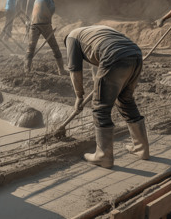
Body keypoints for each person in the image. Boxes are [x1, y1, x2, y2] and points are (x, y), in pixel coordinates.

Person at [64, 25, 149, 169]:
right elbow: (96, 62)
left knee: (100, 108)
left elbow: (74, 70)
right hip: (135, 54)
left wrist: (79, 96)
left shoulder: (71, 38)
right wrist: (98, 84)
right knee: (125, 100)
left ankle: (104, 156)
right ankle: (142, 150)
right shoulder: (94, 32)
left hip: (114, 55)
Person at [24, 0, 67, 75]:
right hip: (45, 24)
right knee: (55, 47)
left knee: (30, 48)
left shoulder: (36, 0)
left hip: (33, 24)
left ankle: (27, 70)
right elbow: (52, 8)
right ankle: (61, 70)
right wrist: (49, 16)